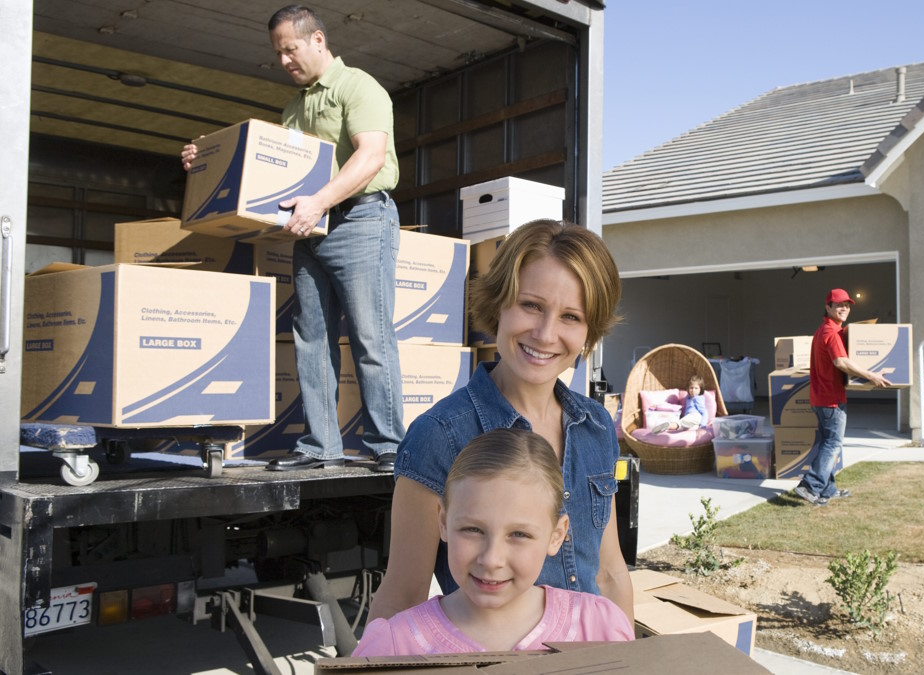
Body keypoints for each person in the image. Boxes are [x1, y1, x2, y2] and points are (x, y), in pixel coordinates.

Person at [367, 219, 634, 629]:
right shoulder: (440, 434)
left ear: (589, 332)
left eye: (570, 316)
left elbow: (609, 573)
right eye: (531, 305)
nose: (546, 334)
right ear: (499, 305)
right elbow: (403, 592)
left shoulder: (596, 424)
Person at [182, 5, 403, 473]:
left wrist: (319, 201)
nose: (284, 60)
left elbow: (370, 155)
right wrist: (207, 159)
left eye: (290, 49)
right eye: (278, 53)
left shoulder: (358, 87)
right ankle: (320, 444)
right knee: (311, 336)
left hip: (362, 220)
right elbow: (272, 171)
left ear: (318, 40)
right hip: (313, 227)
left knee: (369, 335)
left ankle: (387, 444)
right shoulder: (294, 109)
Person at [353, 428, 634, 655]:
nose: (491, 559)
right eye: (473, 530)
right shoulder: (394, 647)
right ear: (443, 521)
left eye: (519, 534)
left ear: (556, 536)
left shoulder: (599, 629)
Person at [793, 288, 890, 506]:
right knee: (832, 444)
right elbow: (841, 362)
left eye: (847, 305)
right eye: (838, 305)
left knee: (827, 442)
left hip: (821, 398)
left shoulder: (824, 330)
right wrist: (871, 375)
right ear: (828, 307)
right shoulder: (831, 332)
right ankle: (810, 486)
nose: (844, 308)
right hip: (831, 399)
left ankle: (828, 489)